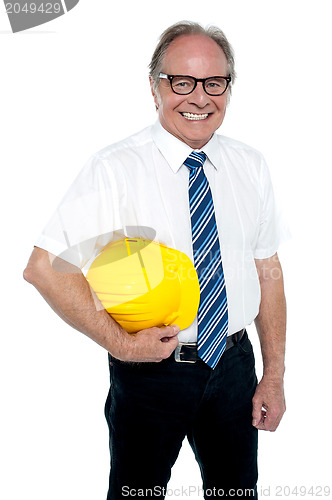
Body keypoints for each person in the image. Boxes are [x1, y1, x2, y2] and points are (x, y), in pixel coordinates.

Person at [24, 21, 286, 499]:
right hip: (151, 371)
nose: (199, 98)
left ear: (229, 88)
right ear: (154, 86)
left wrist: (273, 375)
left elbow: (267, 271)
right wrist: (122, 346)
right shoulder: (115, 169)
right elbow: (44, 268)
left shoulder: (251, 166)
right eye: (181, 82)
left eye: (214, 83)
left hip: (233, 367)